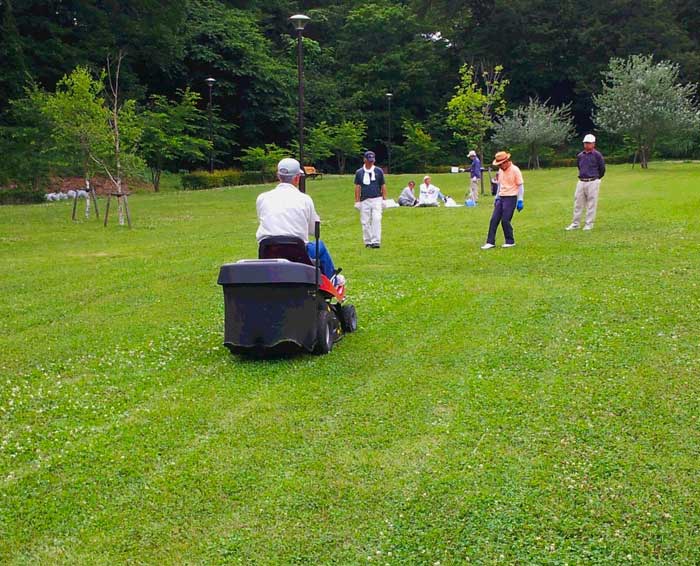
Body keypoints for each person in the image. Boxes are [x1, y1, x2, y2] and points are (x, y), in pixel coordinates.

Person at [256, 158, 338, 280]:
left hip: (268, 251)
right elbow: (314, 231)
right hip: (298, 252)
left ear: (279, 176)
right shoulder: (305, 199)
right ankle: (333, 280)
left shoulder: (262, 198)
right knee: (319, 246)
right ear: (297, 178)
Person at [481, 151, 524, 249]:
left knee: (505, 220)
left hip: (511, 198)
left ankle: (510, 241)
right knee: (494, 220)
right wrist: (497, 197)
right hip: (501, 197)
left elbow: (520, 185)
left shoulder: (515, 170)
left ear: (506, 161)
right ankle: (490, 242)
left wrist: (520, 200)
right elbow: (500, 185)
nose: (500, 166)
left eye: (501, 164)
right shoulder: (500, 171)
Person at [566, 134, 606, 231]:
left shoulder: (597, 155)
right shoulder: (580, 156)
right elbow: (579, 167)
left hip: (593, 181)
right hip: (581, 181)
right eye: (585, 143)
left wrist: (596, 178)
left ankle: (589, 224)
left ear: (593, 144)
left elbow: (602, 169)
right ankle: (575, 223)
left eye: (589, 143)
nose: (587, 145)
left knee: (591, 203)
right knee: (578, 203)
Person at [354, 150, 387, 248]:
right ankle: (368, 241)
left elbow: (383, 185)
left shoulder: (378, 171)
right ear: (365, 160)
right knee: (365, 221)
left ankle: (376, 241)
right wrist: (357, 201)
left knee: (377, 219)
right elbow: (358, 186)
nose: (371, 162)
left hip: (377, 198)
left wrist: (384, 199)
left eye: (372, 160)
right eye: (369, 160)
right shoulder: (359, 172)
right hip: (364, 200)